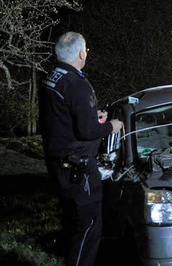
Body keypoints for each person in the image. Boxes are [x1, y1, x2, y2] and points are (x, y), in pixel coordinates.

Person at [39, 31, 123, 266]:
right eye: (86, 49)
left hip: (59, 166)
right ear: (81, 53)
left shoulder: (52, 77)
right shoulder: (77, 83)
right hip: (79, 171)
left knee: (72, 223)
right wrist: (111, 126)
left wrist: (89, 115)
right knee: (89, 227)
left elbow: (62, 116)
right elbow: (87, 131)